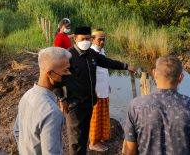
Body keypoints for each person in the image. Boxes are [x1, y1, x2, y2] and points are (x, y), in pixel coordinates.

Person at [54, 26, 136, 155]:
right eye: (82, 39)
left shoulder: (91, 54)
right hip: (74, 105)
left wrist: (126, 66)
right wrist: (61, 98)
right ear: (75, 38)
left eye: (88, 38)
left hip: (89, 102)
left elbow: (108, 62)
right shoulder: (68, 56)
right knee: (75, 140)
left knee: (84, 135)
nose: (85, 41)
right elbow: (56, 78)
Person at [13, 47, 72, 155]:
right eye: (65, 70)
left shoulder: (27, 95)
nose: (69, 73)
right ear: (50, 74)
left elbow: (17, 131)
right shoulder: (52, 112)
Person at [88, 29, 111, 152]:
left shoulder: (102, 51)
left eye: (104, 39)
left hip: (104, 90)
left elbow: (104, 71)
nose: (102, 42)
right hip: (96, 92)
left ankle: (101, 137)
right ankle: (93, 142)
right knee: (95, 117)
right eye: (99, 39)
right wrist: (93, 91)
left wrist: (108, 85)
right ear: (92, 39)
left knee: (103, 114)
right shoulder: (91, 53)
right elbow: (89, 75)